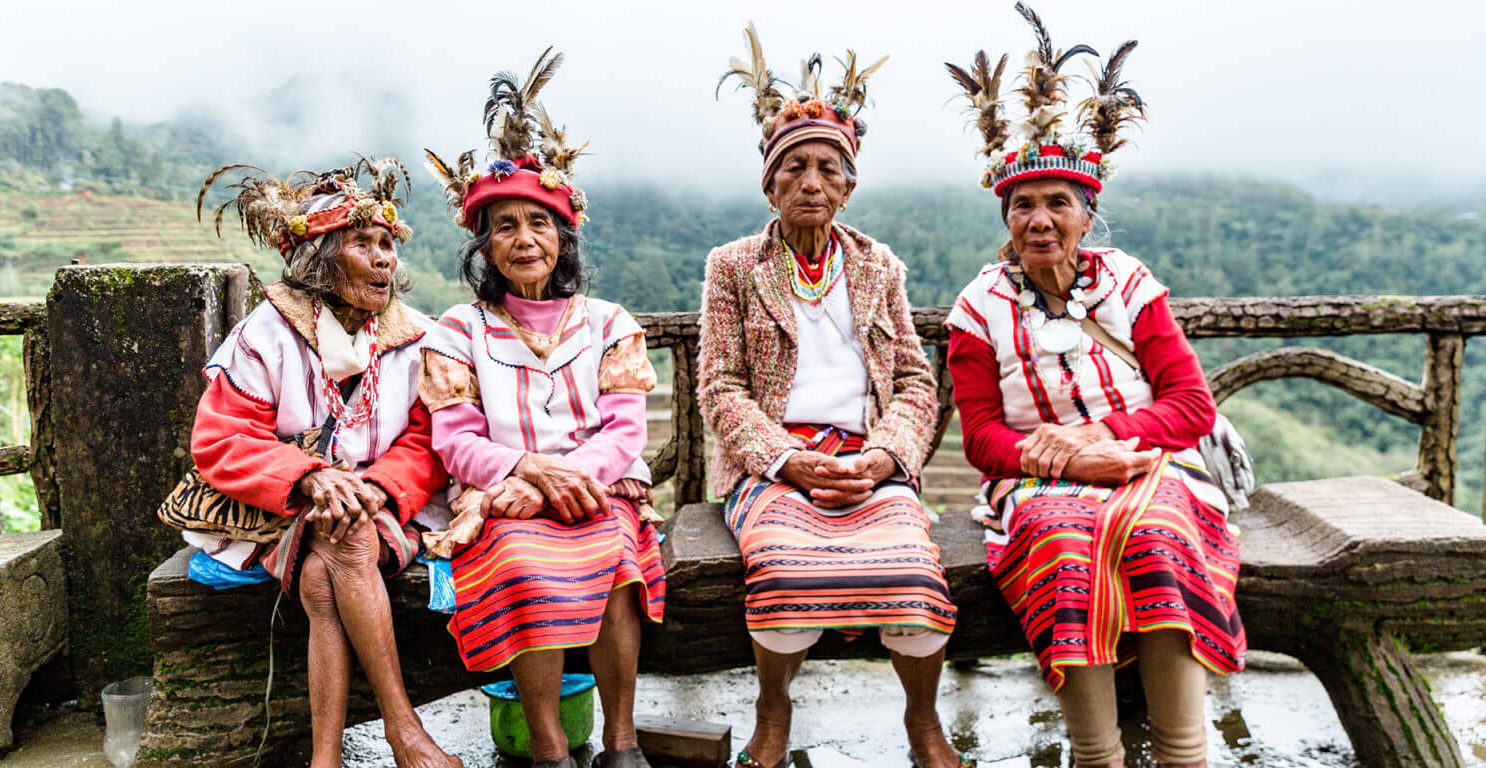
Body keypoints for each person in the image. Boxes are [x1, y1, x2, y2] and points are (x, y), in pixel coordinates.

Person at [943, 7, 1246, 767]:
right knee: (1065, 543)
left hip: (1154, 468)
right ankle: (1095, 755)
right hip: (1037, 482)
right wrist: (1068, 463)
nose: (1040, 220)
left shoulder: (1131, 286)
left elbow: (1189, 406)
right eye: (1023, 205)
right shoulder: (979, 307)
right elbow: (980, 435)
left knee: (1156, 534)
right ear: (1005, 216)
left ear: (1087, 213)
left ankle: (1184, 753)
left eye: (1058, 204)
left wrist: (1102, 440)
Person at [700, 24, 967, 768]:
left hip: (866, 460)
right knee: (783, 567)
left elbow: (915, 380)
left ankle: (922, 721)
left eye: (827, 167)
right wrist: (783, 458)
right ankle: (774, 708)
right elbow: (719, 386)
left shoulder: (880, 266)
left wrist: (886, 457)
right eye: (793, 168)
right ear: (769, 182)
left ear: (849, 184)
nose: (810, 182)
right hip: (773, 466)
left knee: (915, 571)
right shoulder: (733, 267)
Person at [419, 49, 664, 768]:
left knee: (620, 565)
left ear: (563, 238)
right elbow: (456, 440)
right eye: (504, 226)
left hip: (600, 487)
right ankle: (552, 750)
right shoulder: (456, 332)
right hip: (503, 497)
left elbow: (624, 430)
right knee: (525, 565)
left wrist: (572, 477)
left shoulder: (610, 322)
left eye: (539, 223)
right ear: (484, 247)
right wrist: (530, 472)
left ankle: (621, 742)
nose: (524, 238)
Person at [188, 158, 462, 768]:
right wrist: (310, 477)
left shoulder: (416, 337)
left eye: (387, 243)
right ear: (319, 259)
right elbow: (222, 440)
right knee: (348, 543)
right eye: (362, 243)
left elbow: (425, 440)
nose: (383, 257)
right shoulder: (266, 336)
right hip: (280, 505)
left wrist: (378, 490)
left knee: (325, 571)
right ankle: (405, 731)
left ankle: (325, 759)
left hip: (380, 503)